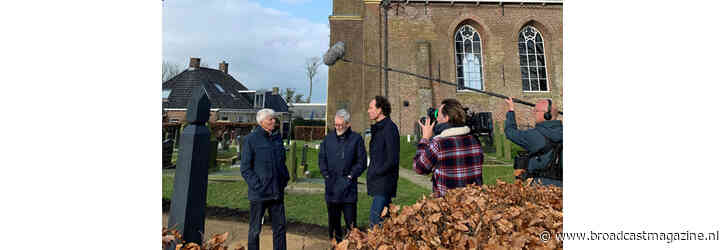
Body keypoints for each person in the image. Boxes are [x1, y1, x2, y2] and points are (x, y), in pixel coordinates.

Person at [239, 108, 290, 250]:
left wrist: (284, 179)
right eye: (271, 119)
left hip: (276, 192)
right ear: (261, 122)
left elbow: (282, 162)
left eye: (274, 119)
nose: (274, 121)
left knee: (280, 229)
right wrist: (259, 186)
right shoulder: (251, 139)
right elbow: (245, 168)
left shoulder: (277, 138)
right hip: (259, 194)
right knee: (255, 230)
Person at [413, 98, 484, 197]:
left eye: (438, 114)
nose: (436, 118)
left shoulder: (438, 144)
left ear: (446, 118)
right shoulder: (475, 141)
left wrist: (425, 139)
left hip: (449, 205)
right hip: (474, 203)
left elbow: (419, 168)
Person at [318, 109, 367, 243]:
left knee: (351, 224)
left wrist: (351, 176)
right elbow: (322, 159)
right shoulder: (328, 139)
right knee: (334, 224)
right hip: (332, 188)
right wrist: (326, 175)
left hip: (348, 189)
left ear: (348, 124)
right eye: (336, 124)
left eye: (341, 125)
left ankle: (351, 245)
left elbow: (362, 162)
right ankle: (335, 245)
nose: (338, 127)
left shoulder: (356, 139)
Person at [504, 97, 563, 187]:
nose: (533, 113)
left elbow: (510, 132)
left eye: (536, 111)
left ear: (547, 115)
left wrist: (511, 110)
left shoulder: (534, 135)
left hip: (540, 186)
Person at [366, 96, 400, 228]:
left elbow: (392, 158)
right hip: (379, 182)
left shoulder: (389, 128)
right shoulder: (379, 128)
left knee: (375, 223)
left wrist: (376, 172)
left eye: (371, 108)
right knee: (385, 223)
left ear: (380, 110)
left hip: (384, 183)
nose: (368, 111)